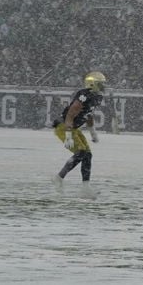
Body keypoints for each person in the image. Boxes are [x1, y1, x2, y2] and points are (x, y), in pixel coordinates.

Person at [51, 71, 106, 199]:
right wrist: (69, 135)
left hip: (73, 128)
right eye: (100, 84)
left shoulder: (97, 97)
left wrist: (92, 132)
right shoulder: (84, 95)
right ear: (93, 84)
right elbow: (71, 113)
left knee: (87, 155)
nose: (103, 87)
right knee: (81, 153)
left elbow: (89, 114)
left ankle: (85, 188)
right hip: (64, 127)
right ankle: (59, 178)